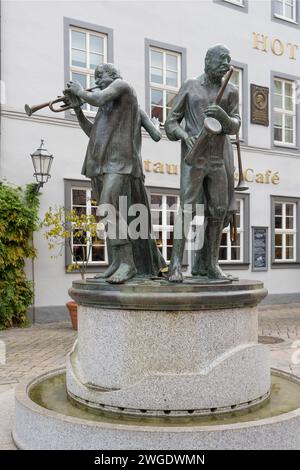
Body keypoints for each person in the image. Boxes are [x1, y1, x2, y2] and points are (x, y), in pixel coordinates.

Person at [64, 63, 165, 284]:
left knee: (107, 205)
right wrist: (78, 109)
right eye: (96, 76)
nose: (97, 80)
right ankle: (117, 263)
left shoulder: (123, 86)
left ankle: (128, 262)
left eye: (101, 76)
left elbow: (99, 97)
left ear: (114, 76)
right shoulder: (104, 110)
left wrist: (80, 91)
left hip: (120, 162)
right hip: (99, 163)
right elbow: (92, 133)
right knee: (107, 213)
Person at [164, 44, 241, 282]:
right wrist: (185, 136)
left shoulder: (231, 91)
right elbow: (170, 123)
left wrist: (224, 118)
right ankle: (175, 265)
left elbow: (236, 125)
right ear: (208, 61)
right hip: (195, 156)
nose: (225, 66)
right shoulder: (190, 86)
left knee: (217, 211)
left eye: (228, 62)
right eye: (221, 61)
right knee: (187, 209)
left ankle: (211, 264)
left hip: (218, 158)